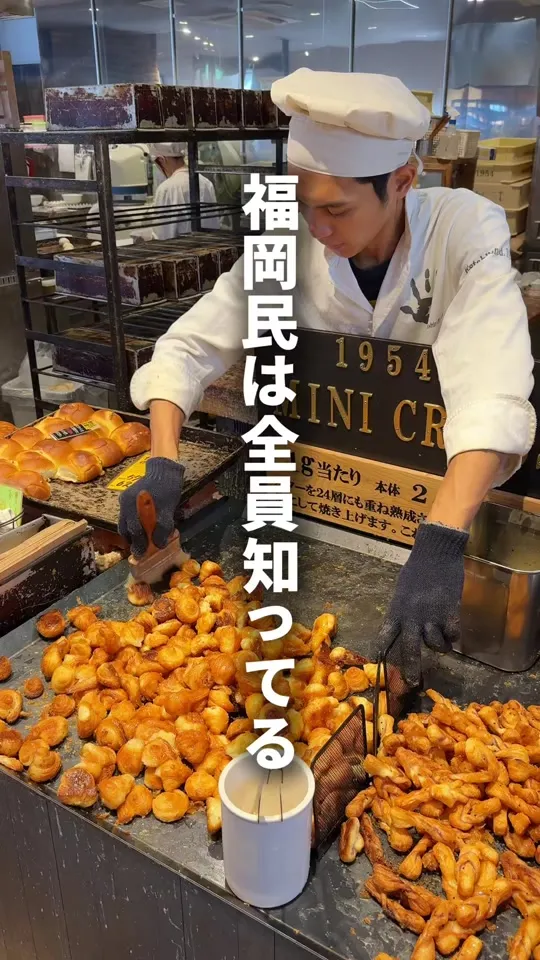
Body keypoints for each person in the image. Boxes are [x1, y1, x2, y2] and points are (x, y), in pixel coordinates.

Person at [120, 70, 536, 684]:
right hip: (324, 501)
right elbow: (190, 345)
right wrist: (163, 462)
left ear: (402, 181)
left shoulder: (464, 231)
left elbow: (490, 382)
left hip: (438, 499)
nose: (316, 228)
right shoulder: (288, 242)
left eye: (336, 209)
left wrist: (442, 538)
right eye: (304, 204)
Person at [148, 142, 220, 239]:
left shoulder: (166, 189)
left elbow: (162, 235)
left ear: (161, 159)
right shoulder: (206, 183)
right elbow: (214, 224)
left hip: (178, 248)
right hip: (208, 246)